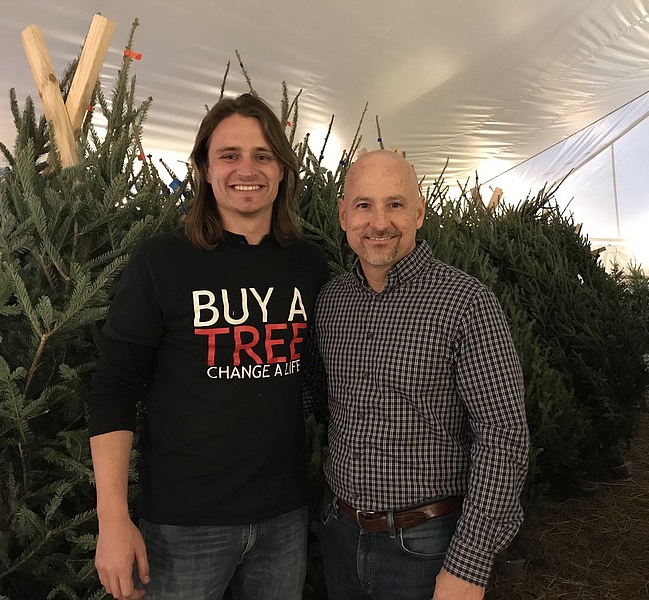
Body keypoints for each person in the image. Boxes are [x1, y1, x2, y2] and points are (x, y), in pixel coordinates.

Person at [88, 92, 329, 600]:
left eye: (263, 155)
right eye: (229, 155)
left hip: (284, 519)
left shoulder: (309, 266)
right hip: (182, 527)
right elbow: (113, 387)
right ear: (203, 167)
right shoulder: (161, 261)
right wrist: (112, 519)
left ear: (283, 170)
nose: (248, 168)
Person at [313, 149, 530, 599]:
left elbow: (503, 435)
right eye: (363, 205)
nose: (378, 222)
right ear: (343, 216)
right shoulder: (331, 302)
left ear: (419, 212)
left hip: (427, 546)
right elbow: (317, 403)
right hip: (340, 534)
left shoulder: (465, 303)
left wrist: (469, 565)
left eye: (394, 204)